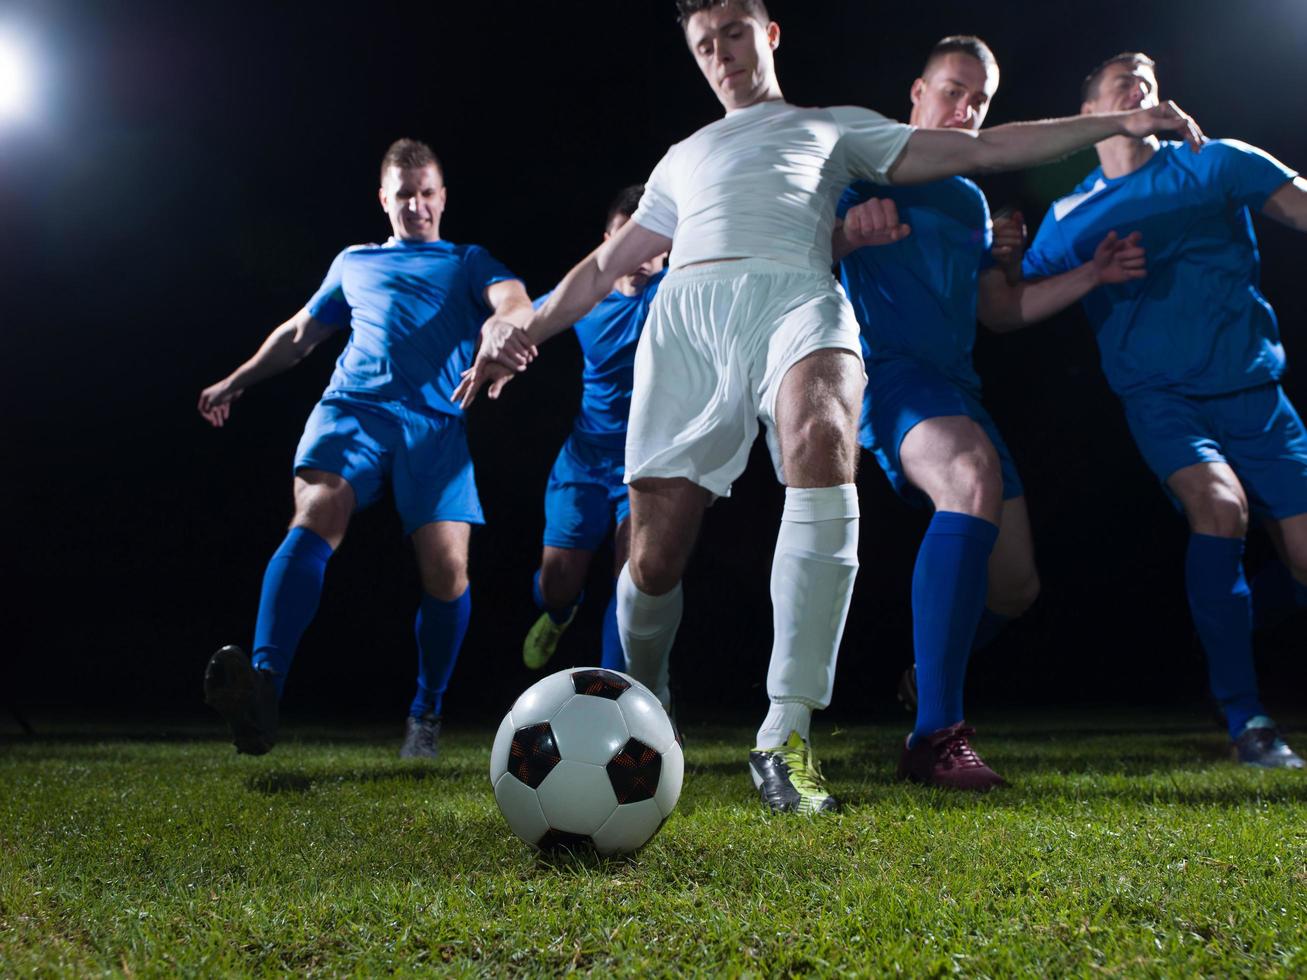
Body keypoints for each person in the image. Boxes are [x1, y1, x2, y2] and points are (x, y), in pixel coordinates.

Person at [455, 0, 1204, 813]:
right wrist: (521, 327)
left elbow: (984, 145)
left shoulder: (834, 127)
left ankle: (785, 735)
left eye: (735, 34)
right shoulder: (683, 157)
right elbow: (602, 267)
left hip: (798, 298)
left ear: (768, 35)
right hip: (691, 320)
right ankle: (647, 696)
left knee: (822, 429)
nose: (722, 54)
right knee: (654, 558)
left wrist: (1118, 121)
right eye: (705, 44)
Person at [835, 36, 1149, 789]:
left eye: (977, 100)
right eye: (952, 91)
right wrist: (845, 235)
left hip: (958, 388)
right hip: (890, 379)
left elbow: (999, 312)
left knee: (1013, 589)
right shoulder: (860, 168)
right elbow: (787, 254)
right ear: (915, 91)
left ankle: (926, 674)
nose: (964, 109)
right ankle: (934, 737)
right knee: (967, 477)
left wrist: (1091, 272)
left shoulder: (968, 194)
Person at [197, 138, 533, 759]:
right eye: (404, 195)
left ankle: (425, 713)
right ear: (385, 200)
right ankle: (264, 689)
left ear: (442, 196)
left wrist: (501, 323)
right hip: (354, 410)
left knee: (448, 572)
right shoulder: (354, 261)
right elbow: (300, 334)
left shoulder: (465, 260)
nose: (417, 206)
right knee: (317, 511)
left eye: (427, 193)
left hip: (435, 427)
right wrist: (234, 380)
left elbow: (512, 298)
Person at [1021, 52, 1307, 769]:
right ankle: (1246, 719)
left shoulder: (1216, 162)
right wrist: (998, 255)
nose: (1137, 88)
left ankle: (1235, 647)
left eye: (1144, 81)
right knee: (1219, 509)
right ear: (1086, 116)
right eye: (1119, 81)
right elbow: (1006, 307)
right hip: (1163, 401)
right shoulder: (1067, 216)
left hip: (1255, 393)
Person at [523, 186, 668, 671]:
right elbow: (525, 318)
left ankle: (615, 695)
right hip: (584, 460)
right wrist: (498, 333)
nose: (637, 254)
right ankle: (559, 613)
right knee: (556, 583)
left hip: (646, 465)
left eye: (648, 241)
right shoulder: (587, 298)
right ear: (606, 244)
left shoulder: (677, 293)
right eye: (625, 240)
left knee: (631, 585)